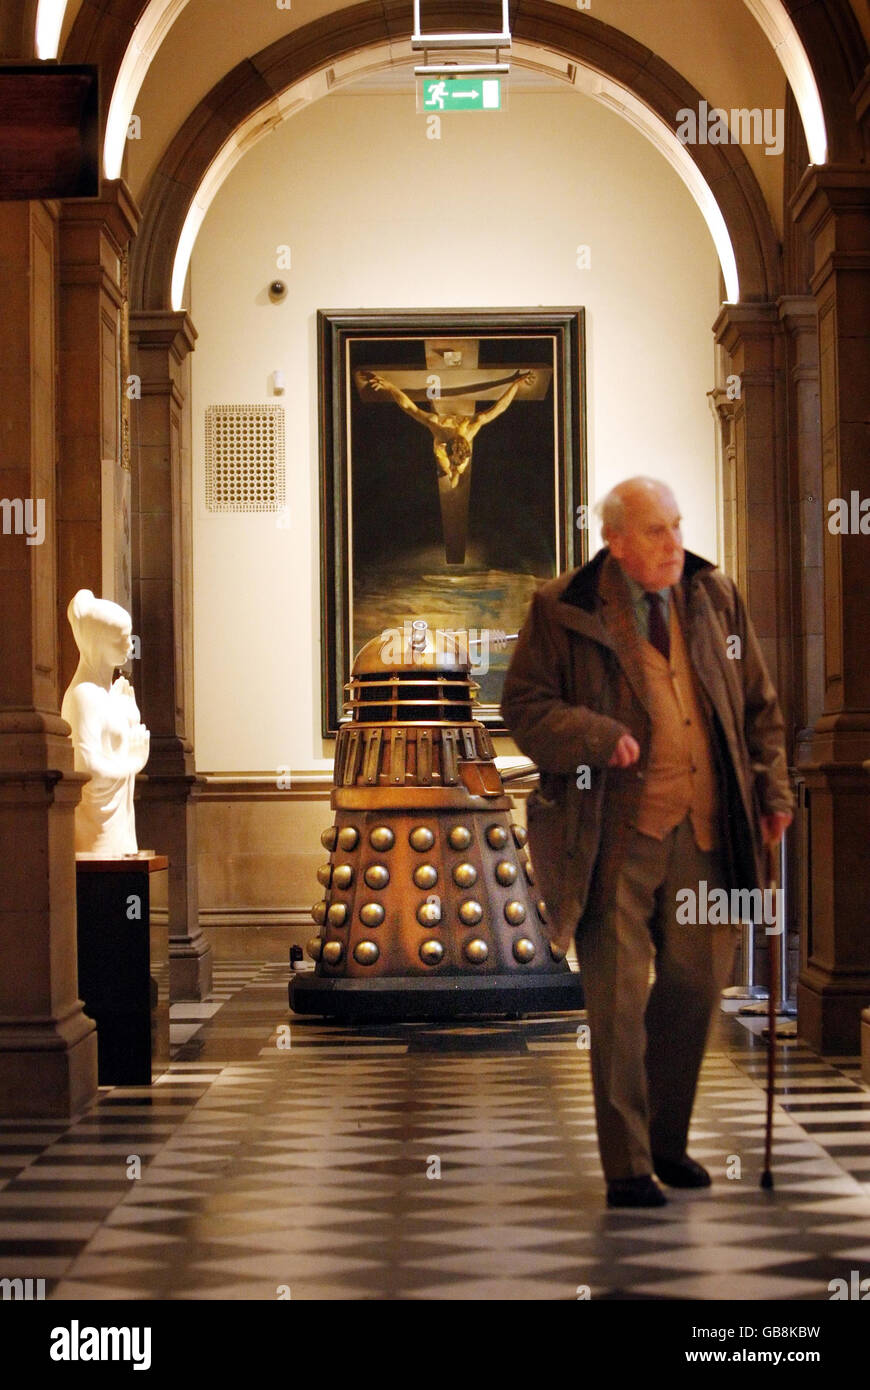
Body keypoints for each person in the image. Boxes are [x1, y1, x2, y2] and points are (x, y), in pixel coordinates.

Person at [501, 477, 793, 1208]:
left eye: (677, 526)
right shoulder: (562, 608)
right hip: (610, 839)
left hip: (705, 828)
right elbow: (526, 709)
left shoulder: (713, 597)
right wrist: (599, 737)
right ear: (616, 541)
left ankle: (668, 1139)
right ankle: (629, 1163)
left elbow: (759, 705)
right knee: (619, 1003)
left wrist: (773, 792)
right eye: (657, 532)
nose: (674, 544)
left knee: (696, 989)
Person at [62, 589, 150, 856]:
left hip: (120, 835)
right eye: (121, 639)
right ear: (99, 642)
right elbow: (86, 770)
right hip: (97, 841)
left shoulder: (110, 694)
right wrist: (131, 763)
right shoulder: (84, 696)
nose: (130, 645)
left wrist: (129, 718)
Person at [363, 369, 532, 488]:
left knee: (453, 469)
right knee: (452, 469)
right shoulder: (448, 429)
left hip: (450, 453)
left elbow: (499, 408)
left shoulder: (449, 430)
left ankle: (453, 474)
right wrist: (391, 387)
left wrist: (516, 384)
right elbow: (410, 408)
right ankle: (453, 474)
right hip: (449, 453)